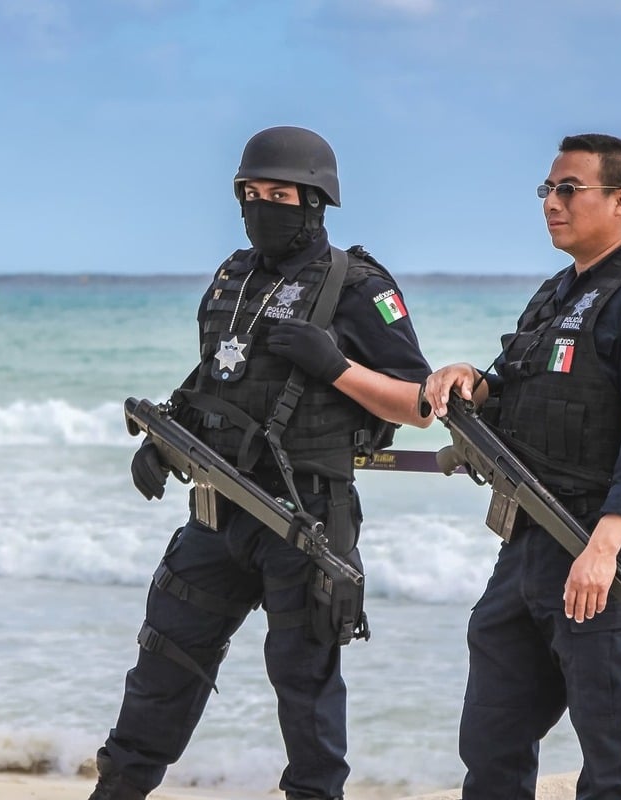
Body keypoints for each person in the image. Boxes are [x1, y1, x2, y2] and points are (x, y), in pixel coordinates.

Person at [87, 125, 432, 800]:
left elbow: (418, 405)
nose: (262, 206)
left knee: (304, 690)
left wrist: (335, 366)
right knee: (163, 662)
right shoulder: (231, 278)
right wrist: (163, 439)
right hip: (216, 513)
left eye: (281, 194)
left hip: (304, 517)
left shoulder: (357, 286)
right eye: (252, 192)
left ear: (315, 202)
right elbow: (216, 380)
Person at [424, 133, 621, 800]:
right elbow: (522, 383)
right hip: (527, 542)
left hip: (598, 549)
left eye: (568, 189)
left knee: (607, 754)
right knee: (492, 740)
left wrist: (604, 548)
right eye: (546, 190)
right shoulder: (560, 292)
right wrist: (473, 378)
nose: (552, 203)